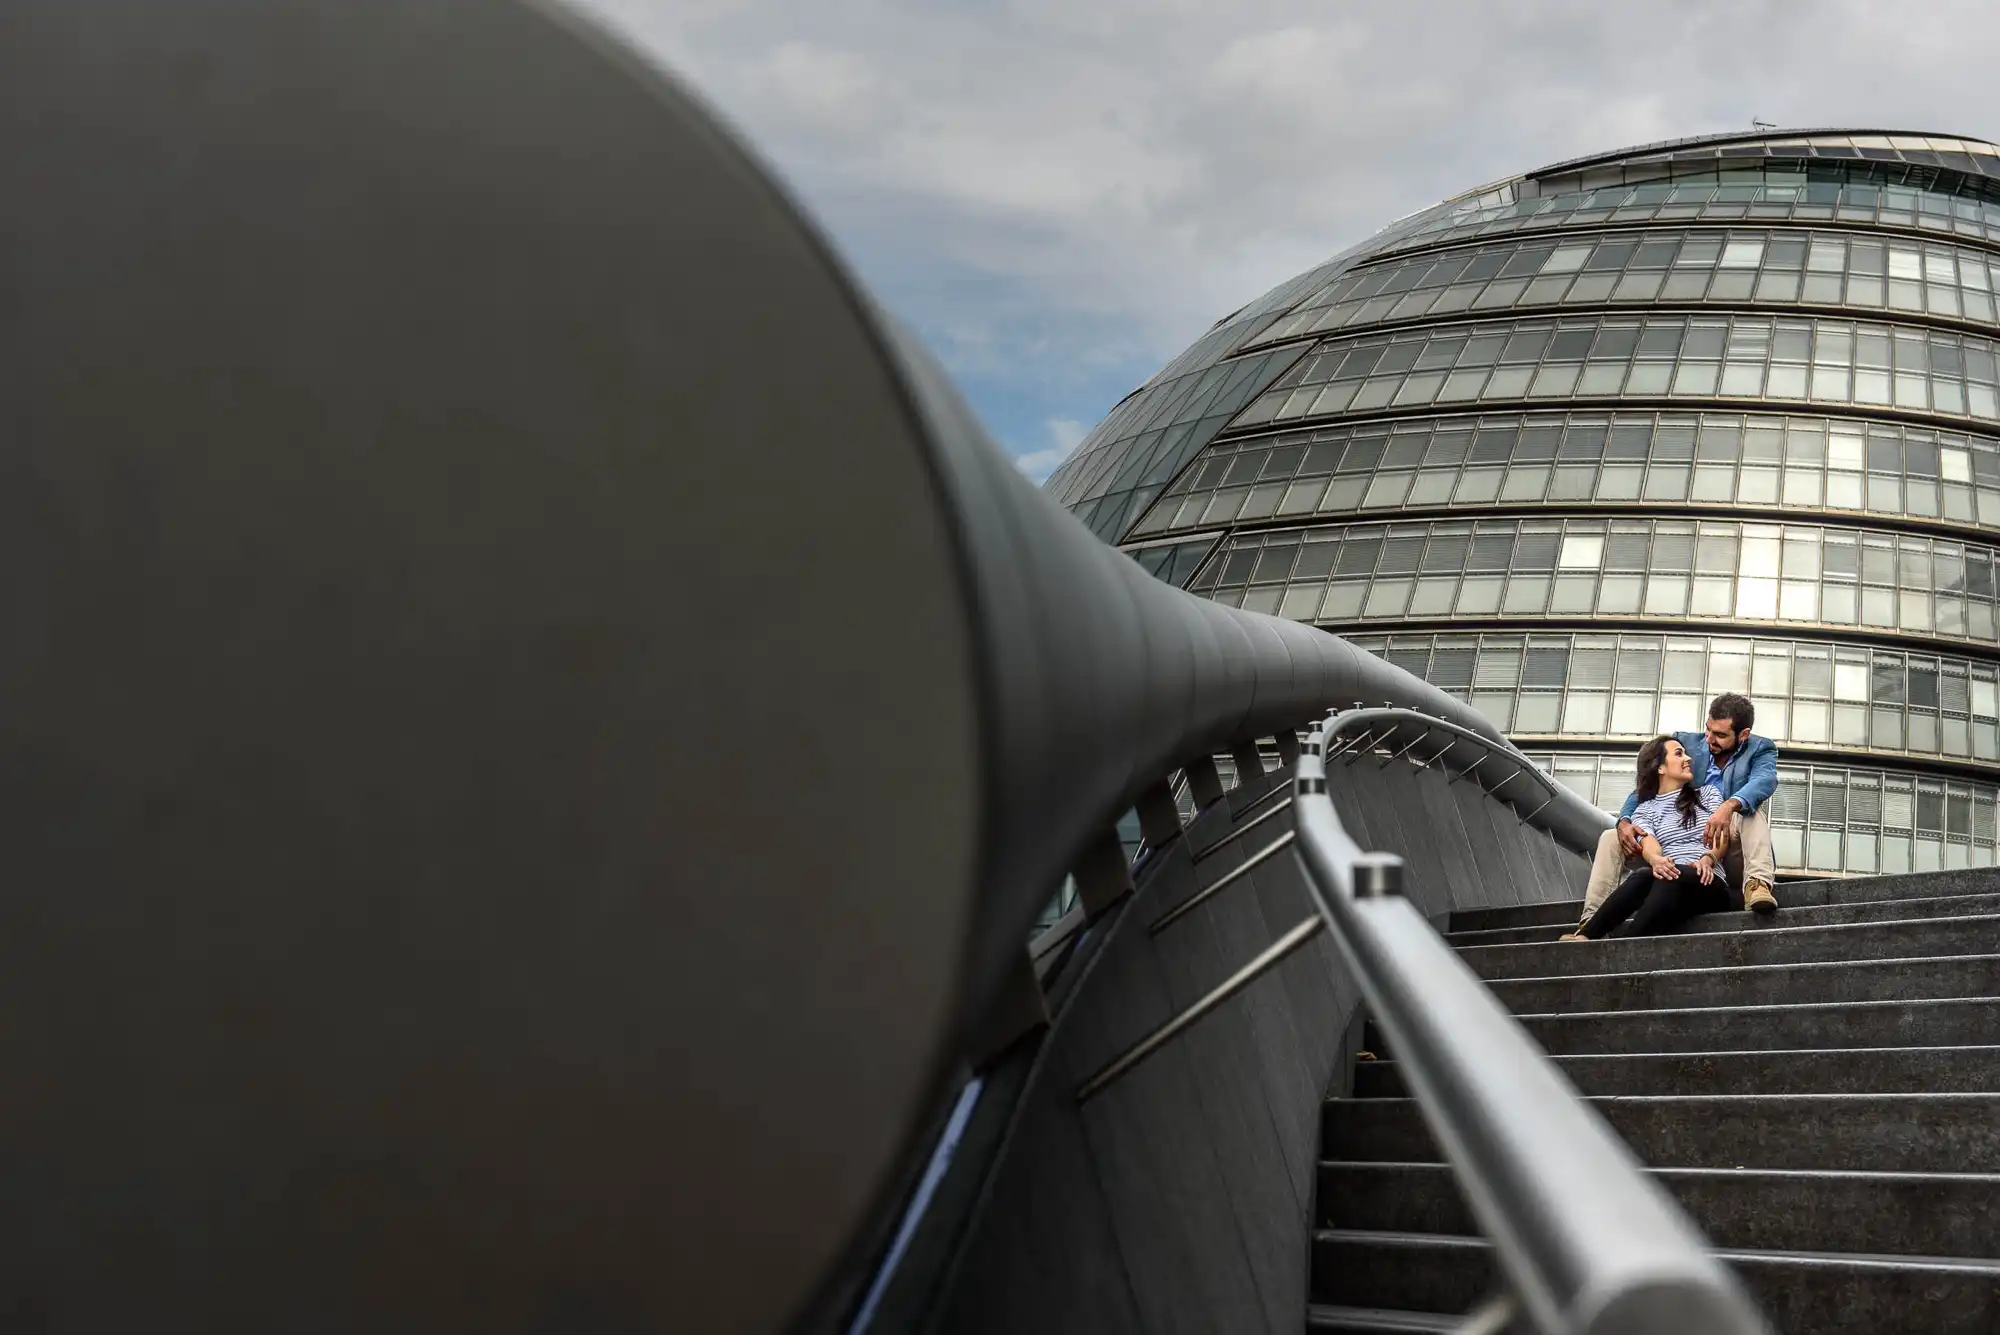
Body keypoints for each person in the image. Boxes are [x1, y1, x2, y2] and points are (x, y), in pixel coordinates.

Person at [1560, 692, 1779, 941]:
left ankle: (1757, 884)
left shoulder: (1760, 750)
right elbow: (1645, 791)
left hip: (1722, 846)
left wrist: (1728, 807)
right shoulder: (1687, 743)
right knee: (1613, 837)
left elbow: (1764, 781)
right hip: (1674, 850)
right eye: (1708, 730)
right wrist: (1625, 822)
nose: (1709, 739)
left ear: (1743, 735)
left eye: (1720, 735)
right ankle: (1594, 920)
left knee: (1750, 810)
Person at [1573, 735, 1730, 939]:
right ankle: (1586, 935)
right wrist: (1656, 860)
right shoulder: (1644, 810)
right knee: (1644, 875)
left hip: (1709, 883)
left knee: (1668, 878)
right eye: (1679, 753)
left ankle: (1627, 946)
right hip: (1671, 884)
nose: (1688, 758)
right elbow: (1649, 843)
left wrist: (1708, 859)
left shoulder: (1708, 794)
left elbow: (1721, 835)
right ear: (1660, 768)